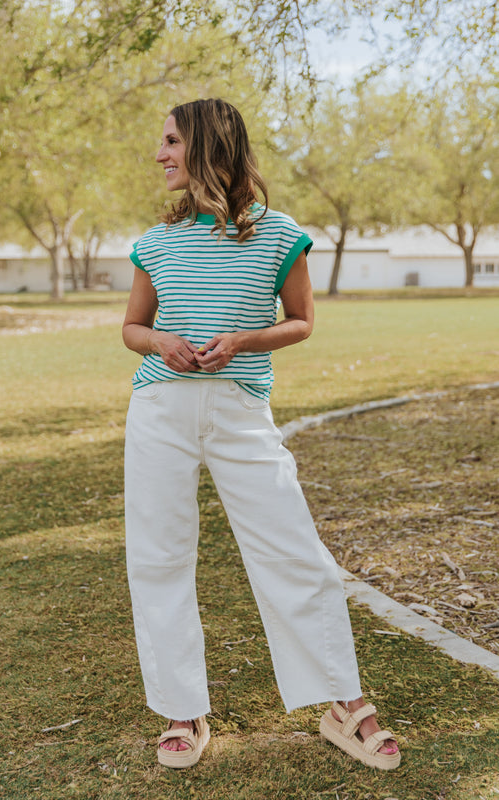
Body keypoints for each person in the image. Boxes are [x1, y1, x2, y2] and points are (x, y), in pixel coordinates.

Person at [122, 98, 400, 771]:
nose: (159, 154)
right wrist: (160, 342)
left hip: (241, 412)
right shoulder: (155, 242)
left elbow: (301, 321)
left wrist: (243, 340)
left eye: (170, 141)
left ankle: (344, 704)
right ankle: (181, 709)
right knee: (159, 558)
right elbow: (132, 328)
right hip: (159, 409)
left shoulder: (278, 235)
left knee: (294, 550)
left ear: (206, 145)